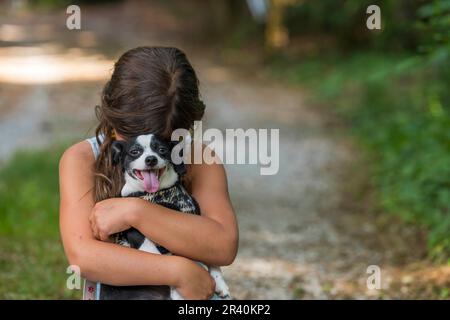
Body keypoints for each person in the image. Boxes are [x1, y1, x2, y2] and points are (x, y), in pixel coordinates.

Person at [59, 47, 238, 299]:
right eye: (134, 145)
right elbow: (82, 257)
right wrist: (178, 271)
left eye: (162, 145)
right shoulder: (82, 159)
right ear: (112, 114)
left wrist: (136, 212)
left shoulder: (198, 158)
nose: (150, 161)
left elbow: (223, 246)